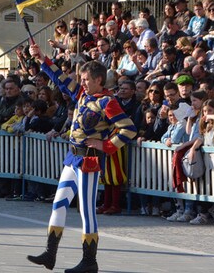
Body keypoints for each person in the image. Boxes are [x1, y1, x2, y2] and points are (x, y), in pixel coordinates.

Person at [26, 43, 137, 273]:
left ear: (99, 80)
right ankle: (50, 253)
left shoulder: (107, 102)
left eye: (86, 79)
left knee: (86, 211)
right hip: (72, 158)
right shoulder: (82, 94)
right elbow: (60, 79)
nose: (83, 82)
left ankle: (89, 261)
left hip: (89, 161)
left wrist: (106, 145)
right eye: (82, 79)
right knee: (59, 204)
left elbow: (128, 129)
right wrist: (42, 58)